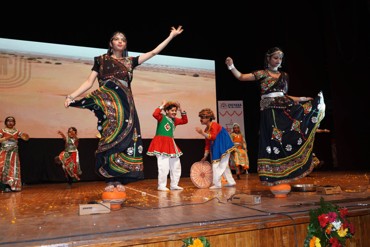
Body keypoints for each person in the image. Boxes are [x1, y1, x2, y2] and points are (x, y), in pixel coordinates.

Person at [64, 26, 184, 192]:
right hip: (108, 108)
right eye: (116, 39)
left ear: (125, 44)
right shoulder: (100, 60)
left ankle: (119, 179)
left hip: (127, 109)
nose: (120, 41)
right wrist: (71, 96)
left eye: (123, 39)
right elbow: (89, 82)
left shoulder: (130, 62)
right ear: (111, 43)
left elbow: (154, 52)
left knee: (126, 141)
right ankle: (109, 179)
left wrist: (171, 36)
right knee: (108, 140)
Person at [225, 47, 326, 191]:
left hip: (283, 110)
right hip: (269, 112)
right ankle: (274, 176)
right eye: (275, 58)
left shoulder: (285, 75)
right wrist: (231, 66)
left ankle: (285, 174)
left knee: (287, 137)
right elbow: (241, 77)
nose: (278, 61)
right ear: (268, 59)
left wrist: (303, 98)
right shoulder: (262, 73)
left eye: (280, 58)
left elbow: (284, 96)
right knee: (274, 141)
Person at [146, 100, 188, 191]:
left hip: (171, 144)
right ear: (167, 111)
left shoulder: (175, 120)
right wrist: (162, 105)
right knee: (163, 166)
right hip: (161, 144)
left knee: (176, 165)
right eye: (172, 110)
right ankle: (161, 185)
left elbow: (185, 121)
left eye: (175, 111)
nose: (174, 112)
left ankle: (174, 184)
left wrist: (181, 110)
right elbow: (155, 114)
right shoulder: (161, 117)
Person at [195, 108, 236, 189]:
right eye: (201, 117)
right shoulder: (206, 129)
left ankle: (217, 184)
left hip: (224, 145)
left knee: (217, 165)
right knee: (224, 166)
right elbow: (207, 143)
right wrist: (205, 155)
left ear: (208, 118)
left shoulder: (214, 125)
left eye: (203, 117)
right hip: (217, 147)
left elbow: (213, 137)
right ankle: (231, 182)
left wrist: (202, 133)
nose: (201, 119)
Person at [0, 116, 29, 192]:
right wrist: (6, 138)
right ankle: (3, 186)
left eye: (12, 121)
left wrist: (25, 136)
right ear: (6, 122)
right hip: (4, 152)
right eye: (8, 121)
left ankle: (12, 186)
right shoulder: (2, 130)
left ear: (14, 123)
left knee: (13, 169)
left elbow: (26, 138)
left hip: (13, 153)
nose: (10, 122)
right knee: (3, 167)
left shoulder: (16, 131)